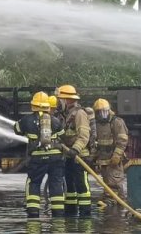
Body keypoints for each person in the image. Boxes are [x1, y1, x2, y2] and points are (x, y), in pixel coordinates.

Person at [14, 91, 67, 219]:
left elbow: (16, 130)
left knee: (34, 183)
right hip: (55, 158)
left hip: (37, 158)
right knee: (56, 183)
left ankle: (33, 212)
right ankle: (58, 213)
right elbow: (63, 136)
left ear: (33, 105)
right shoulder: (55, 120)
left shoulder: (26, 120)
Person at [56, 84, 92, 218]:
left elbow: (84, 135)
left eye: (60, 99)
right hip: (68, 156)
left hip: (79, 157)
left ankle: (85, 214)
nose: (59, 102)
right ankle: (71, 212)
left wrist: (75, 149)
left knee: (82, 186)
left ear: (67, 100)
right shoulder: (64, 115)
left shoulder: (80, 113)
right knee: (70, 187)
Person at [91, 98, 130, 199]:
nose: (103, 115)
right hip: (103, 161)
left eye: (105, 112)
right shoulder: (96, 124)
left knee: (115, 184)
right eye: (100, 112)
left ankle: (118, 208)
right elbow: (96, 143)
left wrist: (117, 156)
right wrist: (92, 158)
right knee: (107, 186)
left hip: (114, 161)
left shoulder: (116, 122)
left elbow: (122, 141)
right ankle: (111, 207)